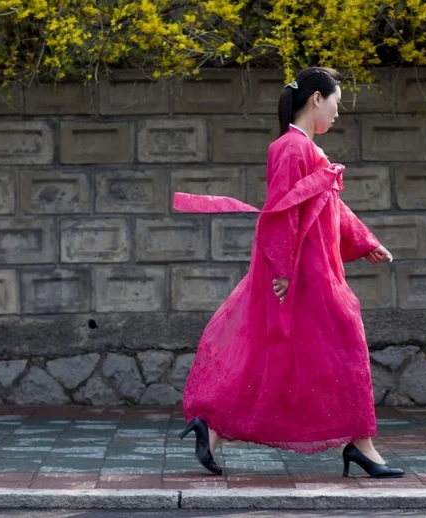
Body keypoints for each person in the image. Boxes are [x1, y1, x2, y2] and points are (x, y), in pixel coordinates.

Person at [172, 67, 404, 478]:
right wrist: (282, 270)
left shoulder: (305, 149)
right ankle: (361, 445)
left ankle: (210, 428)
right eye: (336, 102)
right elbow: (280, 209)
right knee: (343, 345)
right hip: (303, 272)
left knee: (271, 355)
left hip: (311, 268)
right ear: (317, 98)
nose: (338, 112)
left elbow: (328, 208)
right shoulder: (291, 148)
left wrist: (366, 240)